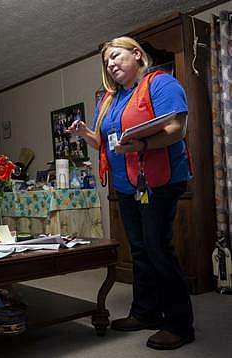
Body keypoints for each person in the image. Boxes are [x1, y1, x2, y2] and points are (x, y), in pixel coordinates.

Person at [67, 36, 194, 350]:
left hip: (159, 180)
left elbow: (177, 128)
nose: (110, 64)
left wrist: (144, 145)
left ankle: (179, 324)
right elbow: (105, 143)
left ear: (136, 54)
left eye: (115, 56)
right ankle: (145, 312)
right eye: (106, 61)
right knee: (138, 249)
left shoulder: (160, 84)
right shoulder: (109, 99)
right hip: (126, 185)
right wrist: (85, 133)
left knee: (157, 248)